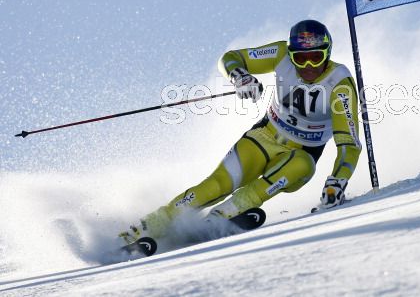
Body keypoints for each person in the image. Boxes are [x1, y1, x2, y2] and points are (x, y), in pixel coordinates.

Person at [119, 19, 362, 244]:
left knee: (303, 166)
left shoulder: (339, 84)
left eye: (316, 57)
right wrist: (240, 76)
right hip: (264, 137)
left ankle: (226, 213)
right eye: (300, 59)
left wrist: (338, 181)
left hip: (300, 153)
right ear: (291, 55)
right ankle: (147, 227)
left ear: (327, 54)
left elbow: (348, 144)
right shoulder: (280, 55)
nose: (308, 66)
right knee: (216, 185)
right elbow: (231, 58)